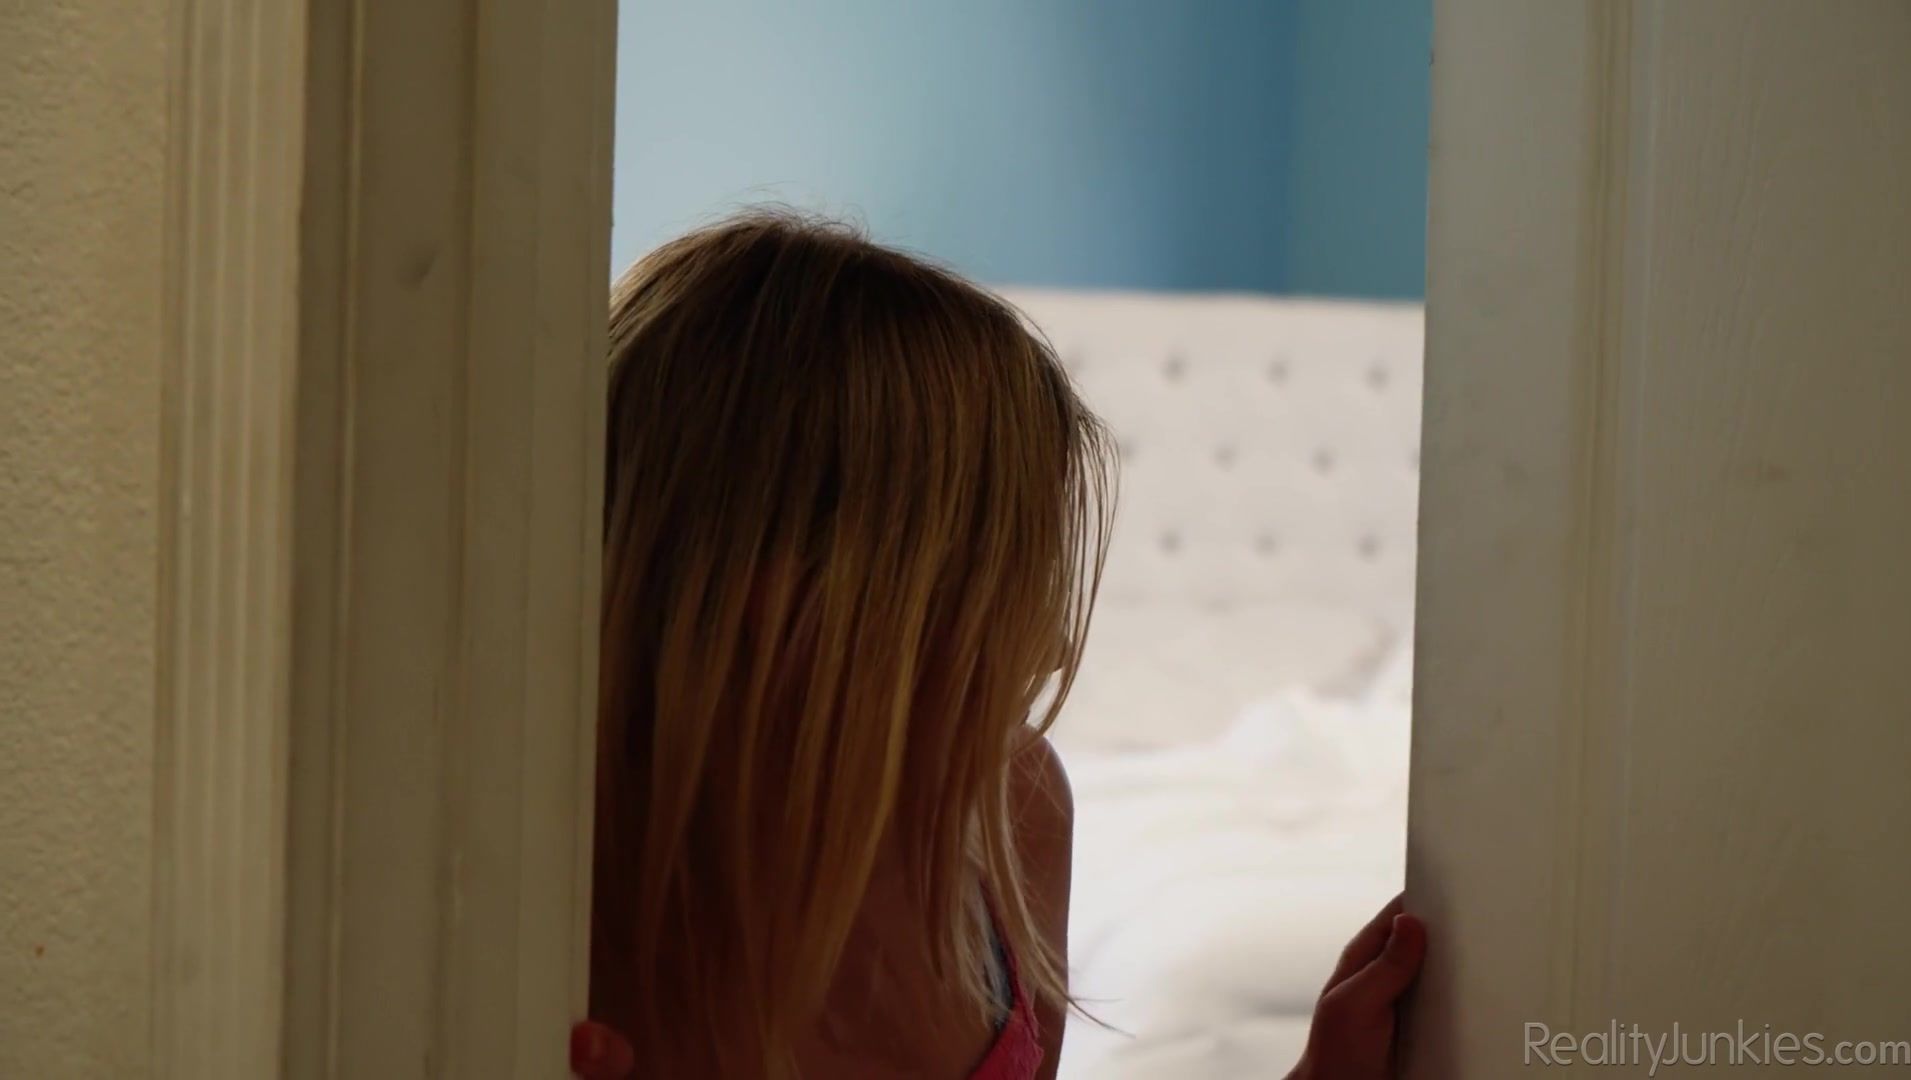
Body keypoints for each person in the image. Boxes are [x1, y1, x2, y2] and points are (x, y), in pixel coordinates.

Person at [575, 211, 1427, 1080]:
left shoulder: (1009, 811)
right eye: (986, 588)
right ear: (778, 581)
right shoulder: (550, 888)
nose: (1050, 649)